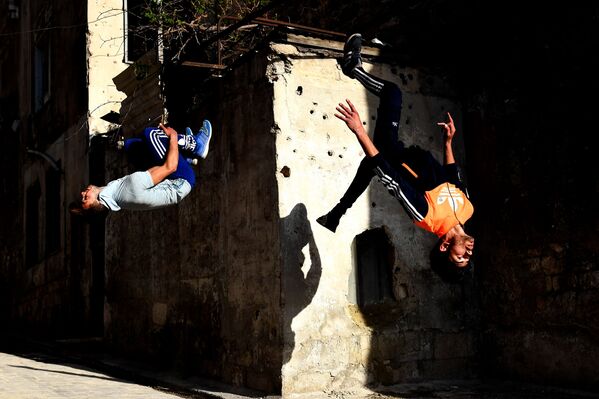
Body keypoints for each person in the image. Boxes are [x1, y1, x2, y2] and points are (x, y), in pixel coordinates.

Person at [317, 33, 474, 271]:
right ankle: (336, 214)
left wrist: (360, 131)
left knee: (392, 93)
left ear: (444, 247)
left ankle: (352, 67)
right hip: (402, 151)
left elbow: (391, 179)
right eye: (467, 259)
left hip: (391, 154)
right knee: (367, 167)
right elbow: (452, 175)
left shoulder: (427, 217)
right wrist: (448, 142)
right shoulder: (468, 209)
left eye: (460, 258)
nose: (468, 255)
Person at [70, 120, 212, 214]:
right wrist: (174, 137)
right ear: (98, 201)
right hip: (181, 178)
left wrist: (123, 145)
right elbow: (170, 167)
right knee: (151, 135)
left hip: (177, 178)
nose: (83, 194)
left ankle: (186, 158)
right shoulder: (127, 190)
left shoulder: (116, 195)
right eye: (85, 199)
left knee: (135, 147)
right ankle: (197, 145)